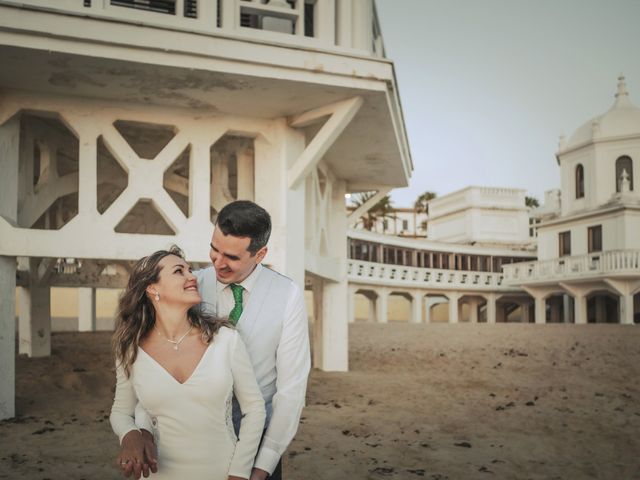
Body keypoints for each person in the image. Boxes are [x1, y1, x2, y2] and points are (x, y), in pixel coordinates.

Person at [133, 200, 311, 480]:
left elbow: (291, 390)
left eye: (231, 257)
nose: (218, 262)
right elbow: (156, 363)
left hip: (256, 441)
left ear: (260, 254)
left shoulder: (287, 295)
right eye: (214, 250)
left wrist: (263, 465)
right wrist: (141, 428)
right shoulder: (191, 286)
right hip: (188, 440)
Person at [109, 246, 266, 480]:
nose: (192, 276)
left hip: (221, 471)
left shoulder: (226, 340)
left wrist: (240, 473)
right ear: (152, 288)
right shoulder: (130, 350)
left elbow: (255, 410)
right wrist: (130, 434)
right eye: (179, 271)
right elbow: (121, 411)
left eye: (190, 270)